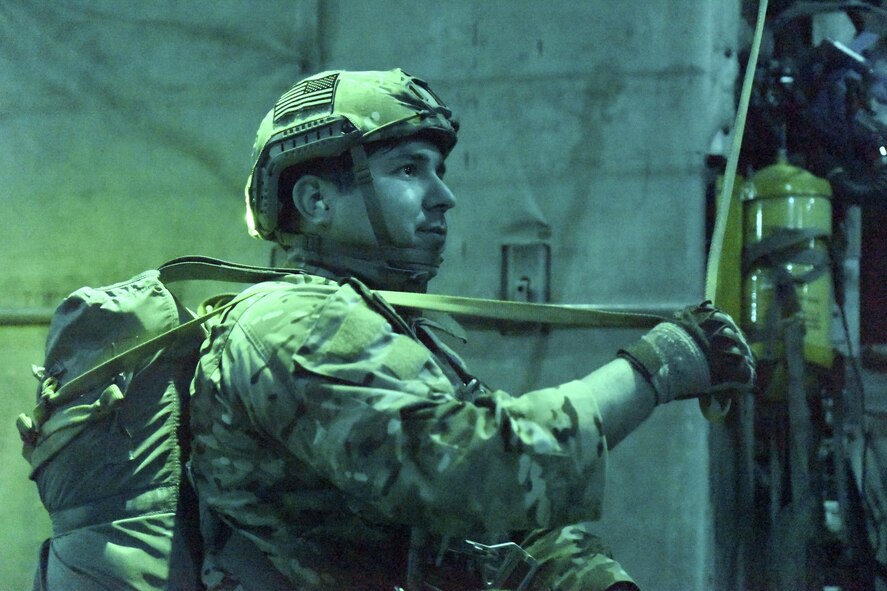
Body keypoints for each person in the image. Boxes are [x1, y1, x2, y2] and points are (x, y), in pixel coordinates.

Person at [187, 68, 755, 591]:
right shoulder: (292, 322)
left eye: (438, 171)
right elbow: (477, 470)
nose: (444, 197)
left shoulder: (386, 324)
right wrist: (658, 368)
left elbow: (500, 528)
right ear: (316, 200)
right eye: (409, 169)